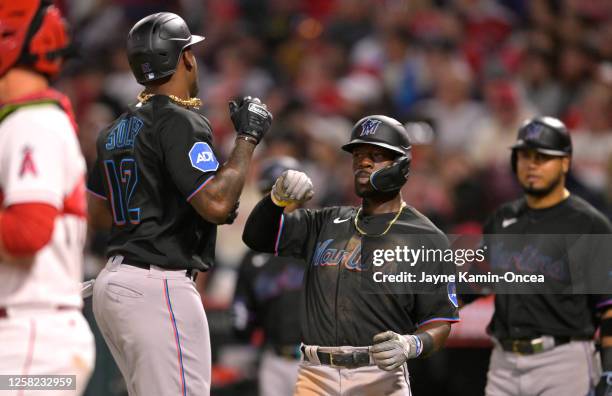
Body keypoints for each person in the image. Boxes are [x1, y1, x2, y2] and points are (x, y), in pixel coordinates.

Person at [86, 12, 273, 396]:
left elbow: (99, 212)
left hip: (114, 284)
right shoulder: (180, 121)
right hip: (159, 285)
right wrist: (248, 138)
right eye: (190, 51)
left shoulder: (113, 130)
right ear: (184, 57)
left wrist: (163, 202)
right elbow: (219, 205)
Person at [243, 115, 460, 395]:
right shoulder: (325, 222)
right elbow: (256, 237)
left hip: (378, 374)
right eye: (357, 155)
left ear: (402, 165)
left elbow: (439, 322)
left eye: (376, 155)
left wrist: (411, 345)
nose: (363, 162)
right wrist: (275, 201)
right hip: (315, 374)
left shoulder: (427, 238)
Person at [461, 117, 612, 396]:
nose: (532, 164)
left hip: (563, 361)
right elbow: (473, 283)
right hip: (503, 362)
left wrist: (610, 370)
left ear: (565, 162)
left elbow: (608, 307)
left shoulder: (588, 224)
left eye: (543, 157)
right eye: (525, 155)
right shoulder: (502, 218)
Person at [0, 0, 95, 394]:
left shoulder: (33, 123)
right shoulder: (26, 120)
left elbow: (27, 233)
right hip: (30, 336)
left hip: (33, 341)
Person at [232, 156, 306, 396]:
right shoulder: (254, 255)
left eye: (285, 192)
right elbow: (242, 312)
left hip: (315, 360)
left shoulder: (317, 242)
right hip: (273, 358)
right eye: (270, 193)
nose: (278, 201)